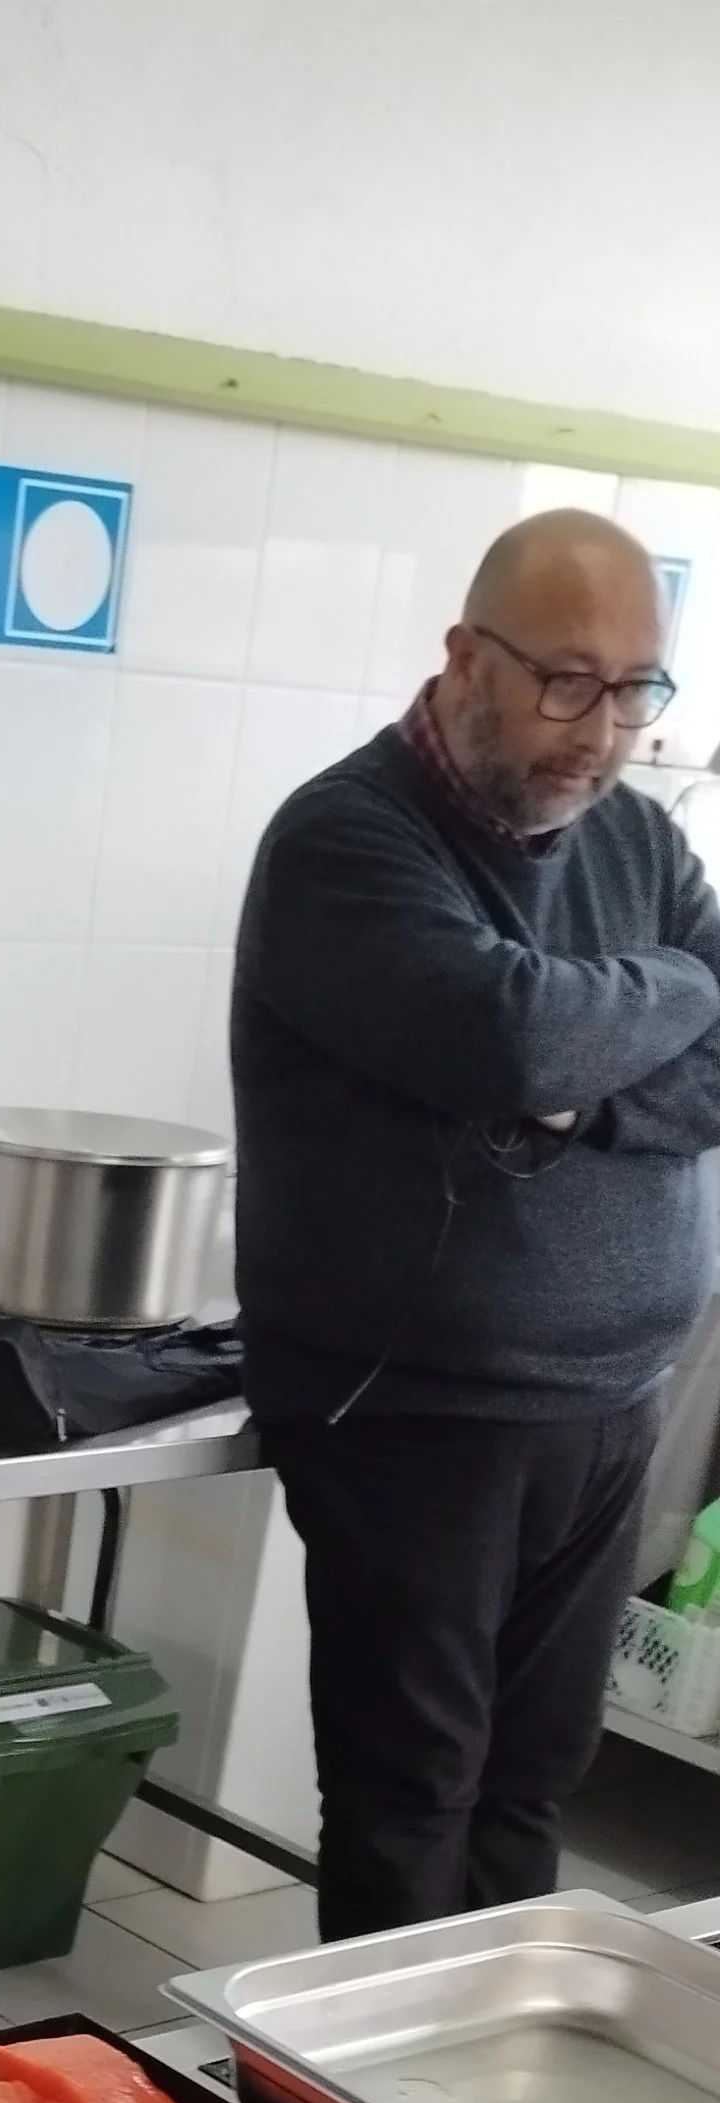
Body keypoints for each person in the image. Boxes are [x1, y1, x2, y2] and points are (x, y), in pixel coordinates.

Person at [231, 507, 720, 1940]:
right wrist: (670, 998)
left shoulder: (637, 842)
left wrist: (590, 1090)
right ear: (465, 657)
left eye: (636, 688)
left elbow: (607, 1062)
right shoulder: (347, 840)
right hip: (416, 1409)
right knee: (414, 1791)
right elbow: (508, 1036)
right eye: (567, 678)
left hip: (611, 1394)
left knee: (532, 1783)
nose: (603, 726)